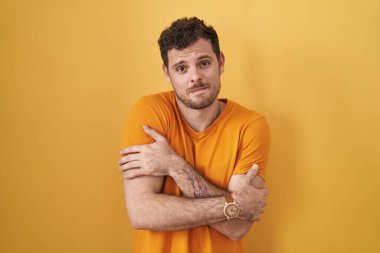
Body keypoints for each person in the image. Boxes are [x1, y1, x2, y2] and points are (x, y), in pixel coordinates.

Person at [118, 17, 270, 253]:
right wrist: (233, 205)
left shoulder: (250, 125)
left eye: (204, 63)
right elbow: (142, 213)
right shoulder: (149, 113)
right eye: (181, 68)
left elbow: (238, 227)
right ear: (167, 73)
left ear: (220, 62)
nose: (195, 77)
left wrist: (174, 165)